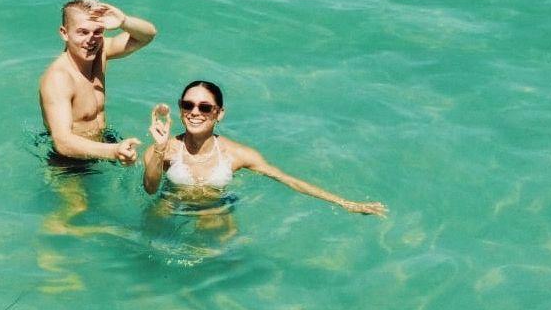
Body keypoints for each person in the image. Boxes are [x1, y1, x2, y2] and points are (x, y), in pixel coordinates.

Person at [142, 80, 387, 216]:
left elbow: (287, 179)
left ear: (219, 114)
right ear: (180, 108)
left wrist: (346, 203)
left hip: (214, 211)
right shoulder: (166, 148)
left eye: (205, 107)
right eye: (188, 105)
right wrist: (160, 148)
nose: (195, 112)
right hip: (170, 205)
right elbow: (150, 189)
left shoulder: (237, 154)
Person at [38, 0, 156, 166]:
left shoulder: (101, 51)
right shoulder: (59, 79)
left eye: (97, 32)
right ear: (64, 33)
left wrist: (124, 21)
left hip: (104, 143)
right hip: (70, 161)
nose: (91, 40)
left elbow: (147, 36)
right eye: (82, 32)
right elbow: (62, 142)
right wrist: (113, 151)